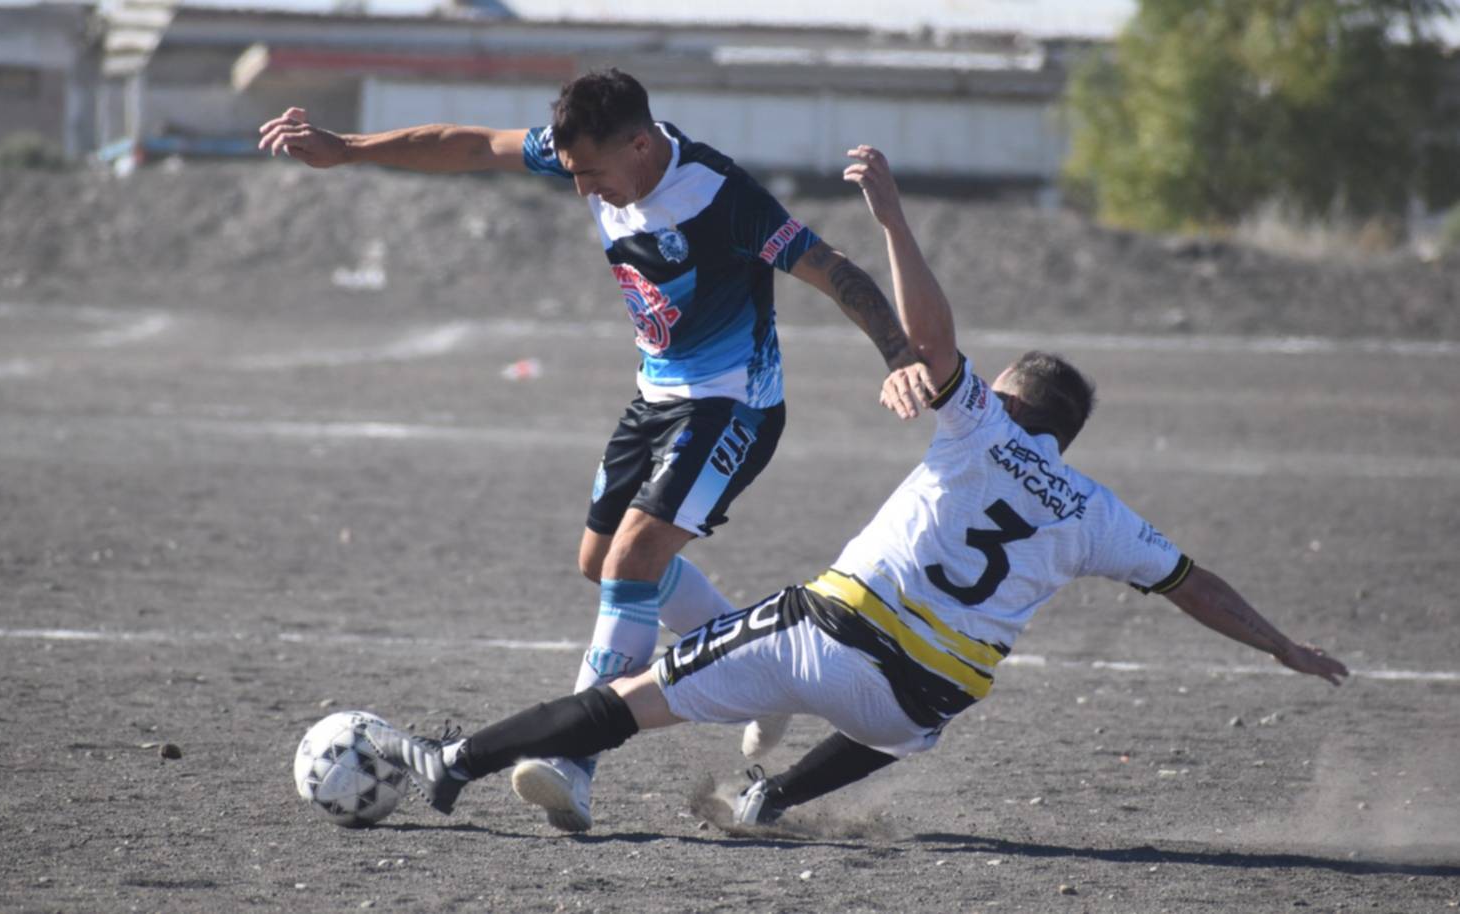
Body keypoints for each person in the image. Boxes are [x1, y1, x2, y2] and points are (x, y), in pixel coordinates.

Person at [356, 144, 1350, 831]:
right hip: (909, 709)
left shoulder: (980, 424)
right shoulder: (1099, 513)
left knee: (619, 704)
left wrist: (890, 217)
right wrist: (1280, 645)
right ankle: (771, 797)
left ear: (1012, 402)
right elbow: (1195, 585)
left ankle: (452, 761)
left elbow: (931, 343)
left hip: (824, 638)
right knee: (932, 703)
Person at [259, 70, 931, 831]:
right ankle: (757, 671)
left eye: (591, 174)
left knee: (631, 563)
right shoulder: (583, 152)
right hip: (656, 398)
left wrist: (897, 356)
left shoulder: (721, 196)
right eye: (571, 171)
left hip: (733, 405)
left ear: (640, 145)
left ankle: (574, 762)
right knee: (600, 561)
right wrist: (347, 149)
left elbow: (832, 269)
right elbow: (469, 145)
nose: (580, 188)